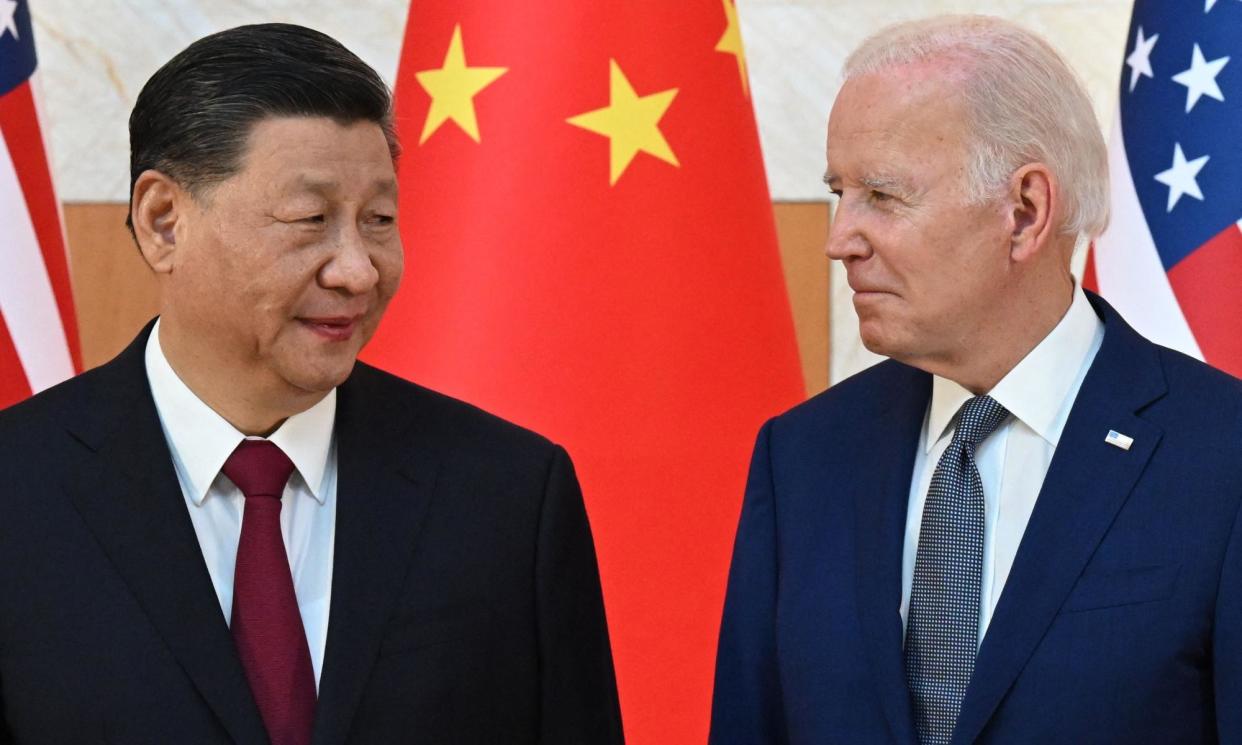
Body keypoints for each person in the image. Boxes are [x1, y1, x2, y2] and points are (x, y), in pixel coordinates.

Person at [0, 23, 623, 745]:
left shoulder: (508, 495)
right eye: (310, 219)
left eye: (379, 219)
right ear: (163, 222)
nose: (357, 270)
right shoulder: (18, 489)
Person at [710, 15, 1242, 745]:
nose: (841, 240)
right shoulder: (801, 457)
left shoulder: (1222, 457)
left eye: (883, 196)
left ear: (1024, 212)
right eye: (841, 192)